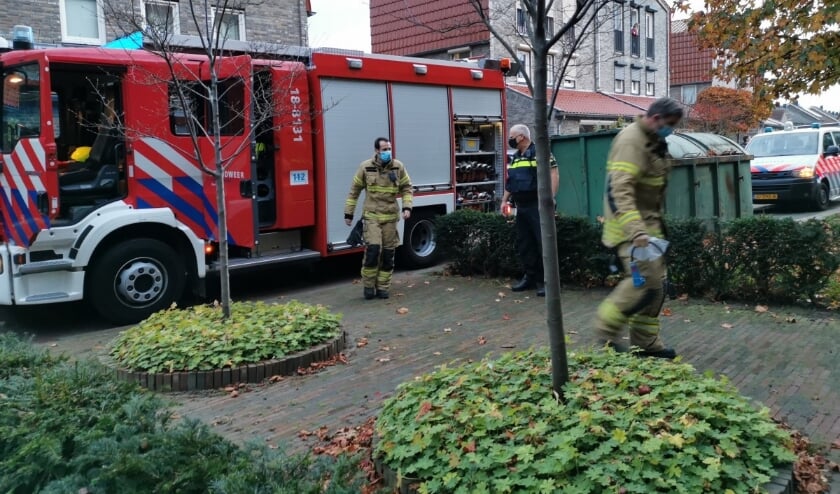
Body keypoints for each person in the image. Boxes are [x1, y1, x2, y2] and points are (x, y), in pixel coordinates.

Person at [594, 97, 684, 359]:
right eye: (669, 125)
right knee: (644, 283)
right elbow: (619, 189)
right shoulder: (631, 140)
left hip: (648, 227)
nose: (671, 130)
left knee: (657, 288)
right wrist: (636, 231)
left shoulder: (653, 140)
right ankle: (605, 329)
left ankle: (645, 343)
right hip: (630, 229)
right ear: (655, 118)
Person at [345, 137, 413, 300]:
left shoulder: (398, 166)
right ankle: (369, 287)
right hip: (372, 217)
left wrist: (407, 207)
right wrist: (349, 214)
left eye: (389, 149)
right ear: (376, 151)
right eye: (384, 149)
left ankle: (383, 287)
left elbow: (407, 188)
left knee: (388, 255)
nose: (387, 152)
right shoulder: (365, 167)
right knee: (373, 251)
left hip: (390, 218)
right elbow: (354, 191)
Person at [501, 124, 559, 297]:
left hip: (537, 206)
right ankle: (530, 278)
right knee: (525, 244)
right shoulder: (516, 157)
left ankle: (545, 282)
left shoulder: (540, 152)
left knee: (543, 244)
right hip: (522, 207)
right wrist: (504, 200)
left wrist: (550, 198)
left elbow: (554, 173)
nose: (510, 139)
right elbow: (511, 181)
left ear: (522, 137)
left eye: (512, 136)